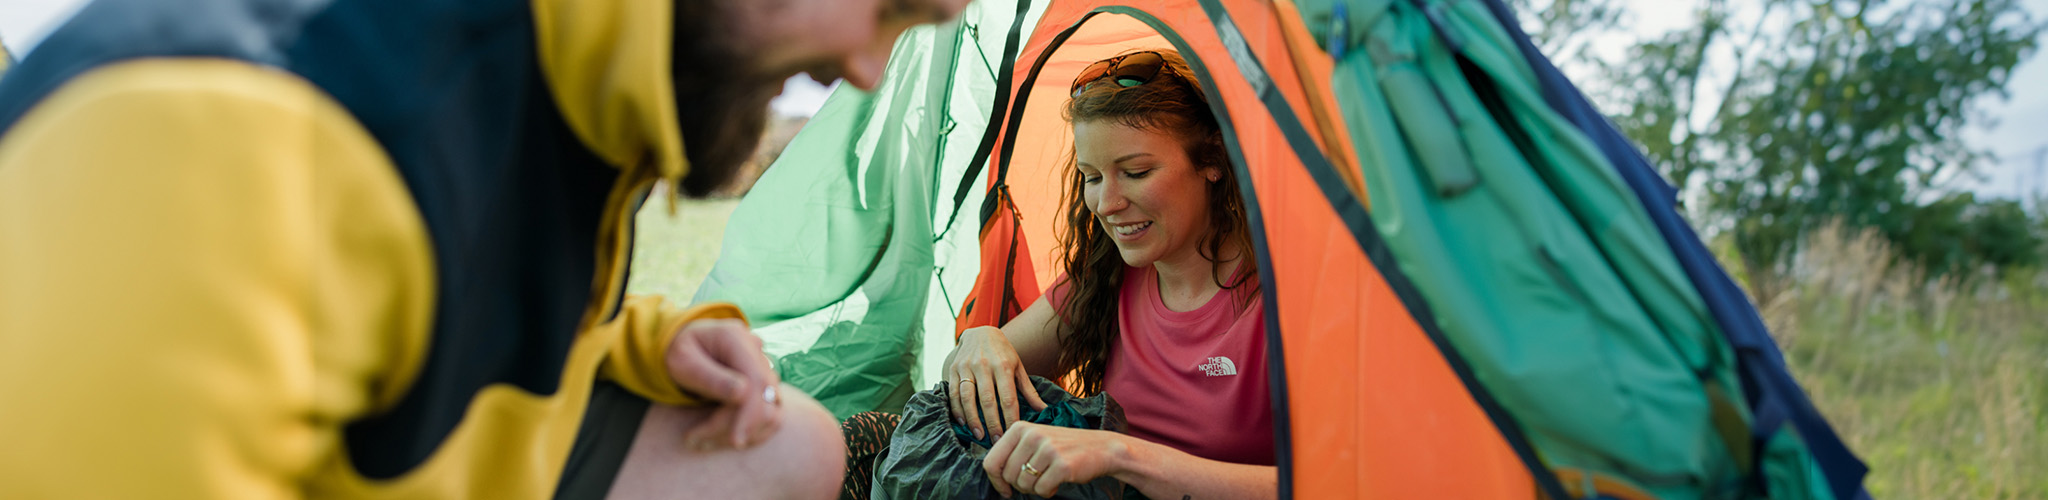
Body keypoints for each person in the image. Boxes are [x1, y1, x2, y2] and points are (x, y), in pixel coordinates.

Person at [0, 0, 965, 498]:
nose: (868, 72)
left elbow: (448, 302)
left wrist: (635, 342)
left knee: (786, 447)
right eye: (885, 6)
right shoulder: (230, 145)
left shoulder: (582, 74)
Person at [943, 49, 1276, 499]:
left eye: (1135, 172)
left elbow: (1349, 485)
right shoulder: (1106, 277)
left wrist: (1123, 456)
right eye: (1092, 176)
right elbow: (961, 382)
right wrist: (979, 340)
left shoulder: (1283, 299)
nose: (1106, 203)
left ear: (1213, 160)